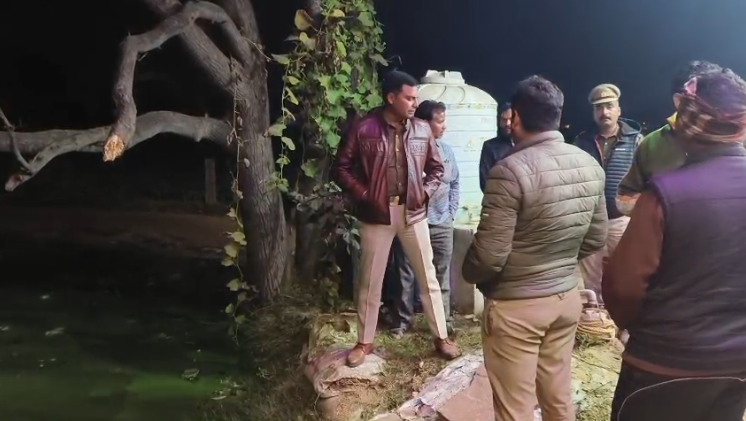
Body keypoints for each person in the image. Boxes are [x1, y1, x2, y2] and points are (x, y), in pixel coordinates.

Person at [603, 69, 746, 421]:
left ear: (688, 124)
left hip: (662, 365)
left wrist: (638, 328)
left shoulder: (665, 195)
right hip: (736, 369)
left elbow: (622, 288)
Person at [462, 75, 607, 421]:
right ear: (557, 116)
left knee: (515, 408)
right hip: (565, 299)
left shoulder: (509, 171)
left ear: (514, 118)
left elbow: (488, 256)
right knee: (558, 397)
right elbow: (596, 237)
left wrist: (469, 273)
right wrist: (559, 261)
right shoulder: (588, 163)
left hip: (517, 307)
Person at [334, 70, 460, 368]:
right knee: (370, 282)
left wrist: (423, 193)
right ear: (391, 98)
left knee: (428, 277)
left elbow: (437, 169)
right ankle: (364, 342)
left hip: (413, 214)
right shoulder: (363, 128)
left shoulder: (422, 129)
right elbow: (341, 168)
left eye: (416, 98)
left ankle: (441, 337)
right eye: (409, 98)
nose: (415, 103)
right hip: (376, 214)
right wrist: (365, 194)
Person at [615, 60, 723, 215]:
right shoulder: (651, 144)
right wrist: (662, 207)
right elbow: (624, 197)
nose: (717, 105)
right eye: (707, 98)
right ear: (679, 101)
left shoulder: (737, 140)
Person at [390, 100, 460, 337]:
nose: (444, 126)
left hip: (442, 222)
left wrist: (450, 212)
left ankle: (443, 321)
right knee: (406, 272)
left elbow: (455, 182)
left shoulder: (446, 151)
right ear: (424, 124)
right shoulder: (406, 149)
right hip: (412, 220)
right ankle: (402, 321)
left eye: (444, 121)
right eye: (439, 121)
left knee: (442, 272)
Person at [571, 84, 642, 301]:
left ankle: (625, 319)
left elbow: (647, 179)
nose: (604, 112)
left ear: (619, 110)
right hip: (590, 222)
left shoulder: (636, 140)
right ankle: (598, 318)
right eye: (599, 107)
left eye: (609, 106)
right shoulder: (582, 142)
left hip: (622, 221)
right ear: (594, 113)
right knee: (593, 283)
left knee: (627, 275)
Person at [479, 102, 514, 192]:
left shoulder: (526, 144)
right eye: (504, 120)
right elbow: (484, 181)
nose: (507, 123)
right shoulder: (490, 146)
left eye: (510, 119)